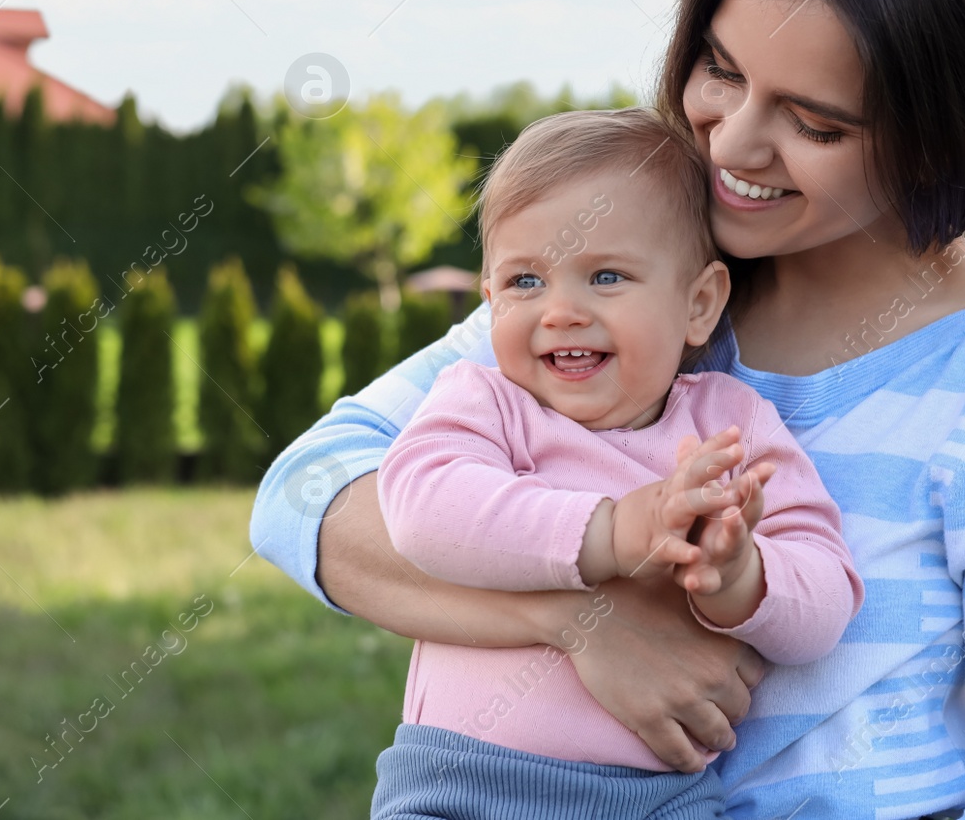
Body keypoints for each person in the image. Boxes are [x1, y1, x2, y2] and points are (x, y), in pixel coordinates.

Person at [250, 0, 965, 820]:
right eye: (720, 69)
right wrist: (580, 622)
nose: (731, 139)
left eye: (814, 122)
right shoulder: (612, 295)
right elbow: (306, 497)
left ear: (944, 135)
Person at [369, 108, 863, 819]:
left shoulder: (728, 427)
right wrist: (614, 529)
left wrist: (740, 576)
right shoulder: (486, 401)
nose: (561, 310)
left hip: (657, 798)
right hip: (457, 784)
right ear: (488, 301)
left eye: (604, 275)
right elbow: (422, 510)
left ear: (698, 305)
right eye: (524, 282)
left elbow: (826, 599)